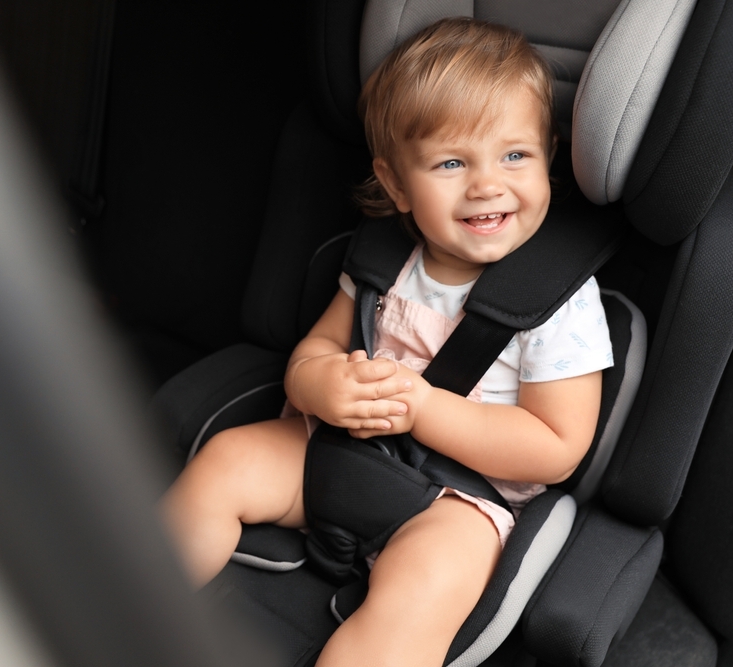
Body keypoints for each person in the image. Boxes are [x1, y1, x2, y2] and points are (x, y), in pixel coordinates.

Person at [161, 17, 613, 667]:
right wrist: (320, 384)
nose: (487, 183)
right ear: (398, 183)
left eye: (514, 155)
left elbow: (555, 446)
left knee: (428, 585)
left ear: (547, 156)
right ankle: (122, 609)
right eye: (452, 162)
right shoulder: (383, 260)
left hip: (457, 499)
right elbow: (314, 350)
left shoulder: (556, 300)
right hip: (338, 448)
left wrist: (425, 410)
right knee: (227, 460)